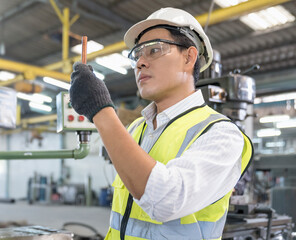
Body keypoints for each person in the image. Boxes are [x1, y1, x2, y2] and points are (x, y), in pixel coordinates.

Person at [69, 7, 253, 240]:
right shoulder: (136, 129)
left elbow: (166, 200)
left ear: (189, 57)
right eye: (137, 55)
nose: (140, 63)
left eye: (154, 50)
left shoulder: (221, 135)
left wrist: (101, 111)